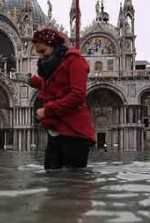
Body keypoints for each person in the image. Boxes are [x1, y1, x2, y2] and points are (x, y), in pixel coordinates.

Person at [18, 28, 96, 169]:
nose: (41, 57)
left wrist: (47, 111)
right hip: (56, 130)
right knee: (52, 178)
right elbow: (55, 86)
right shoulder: (54, 64)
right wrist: (31, 80)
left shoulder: (75, 60)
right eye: (38, 54)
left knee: (73, 181)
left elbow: (77, 96)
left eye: (43, 51)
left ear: (54, 46)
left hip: (74, 132)